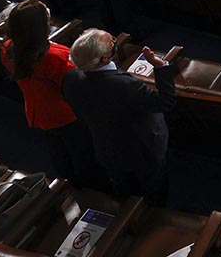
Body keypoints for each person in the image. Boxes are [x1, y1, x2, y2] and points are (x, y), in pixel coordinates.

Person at [62, 29, 175, 205]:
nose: (115, 42)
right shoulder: (125, 85)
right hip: (143, 150)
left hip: (107, 148)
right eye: (112, 43)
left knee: (124, 191)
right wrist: (160, 67)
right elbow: (165, 102)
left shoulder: (70, 78)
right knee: (154, 191)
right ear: (106, 58)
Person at [2, 0, 97, 185]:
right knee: (83, 154)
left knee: (58, 152)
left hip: (38, 112)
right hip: (66, 115)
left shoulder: (8, 49)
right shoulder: (55, 57)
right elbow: (80, 84)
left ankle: (67, 184)